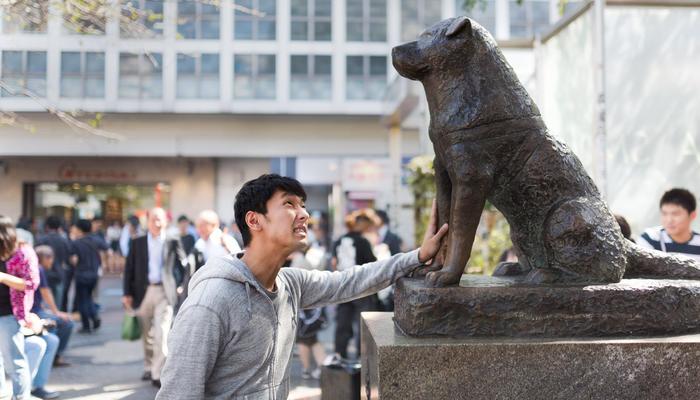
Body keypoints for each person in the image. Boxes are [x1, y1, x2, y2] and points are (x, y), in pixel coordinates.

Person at [156, 174, 448, 399]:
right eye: (289, 204)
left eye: (303, 205)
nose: (304, 214)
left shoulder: (289, 283)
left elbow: (351, 281)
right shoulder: (210, 301)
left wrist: (418, 256)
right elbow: (177, 393)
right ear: (254, 220)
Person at [122, 208, 188, 387]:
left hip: (164, 292)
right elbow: (129, 269)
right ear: (148, 221)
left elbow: (184, 264)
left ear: (165, 222)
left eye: (159, 220)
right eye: (153, 220)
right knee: (147, 334)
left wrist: (182, 284)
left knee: (162, 332)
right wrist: (126, 293)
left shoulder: (172, 240)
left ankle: (158, 373)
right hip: (142, 292)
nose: (156, 223)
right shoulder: (137, 242)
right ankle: (148, 365)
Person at [332, 211, 379, 359]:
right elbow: (372, 264)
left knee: (343, 322)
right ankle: (362, 357)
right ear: (363, 224)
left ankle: (340, 355)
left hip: (343, 287)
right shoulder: (363, 242)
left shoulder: (339, 241)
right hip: (362, 288)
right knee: (363, 324)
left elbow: (334, 264)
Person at [0, 216, 37, 400]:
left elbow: (31, 283)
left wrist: (3, 277)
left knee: (14, 362)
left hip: (9, 313)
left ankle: (21, 398)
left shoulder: (23, 252)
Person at [32, 245, 74, 367]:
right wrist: (56, 312)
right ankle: (53, 356)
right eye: (49, 257)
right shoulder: (38, 269)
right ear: (42, 258)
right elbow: (45, 291)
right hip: (34, 313)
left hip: (36, 310)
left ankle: (53, 355)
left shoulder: (34, 268)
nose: (51, 261)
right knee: (64, 323)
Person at [638, 188, 700, 261]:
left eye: (675, 214)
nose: (669, 220)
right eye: (664, 213)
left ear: (692, 215)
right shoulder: (650, 238)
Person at [69, 219, 108, 333]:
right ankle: (94, 317)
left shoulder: (76, 243)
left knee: (82, 300)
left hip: (81, 274)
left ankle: (86, 325)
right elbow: (107, 249)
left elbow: (74, 260)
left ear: (79, 229)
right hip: (94, 274)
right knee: (89, 297)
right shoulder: (96, 240)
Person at [36, 216, 73, 312]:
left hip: (43, 275)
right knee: (57, 306)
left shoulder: (41, 239)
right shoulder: (64, 240)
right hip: (59, 275)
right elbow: (69, 258)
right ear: (59, 227)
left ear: (47, 226)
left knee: (43, 305)